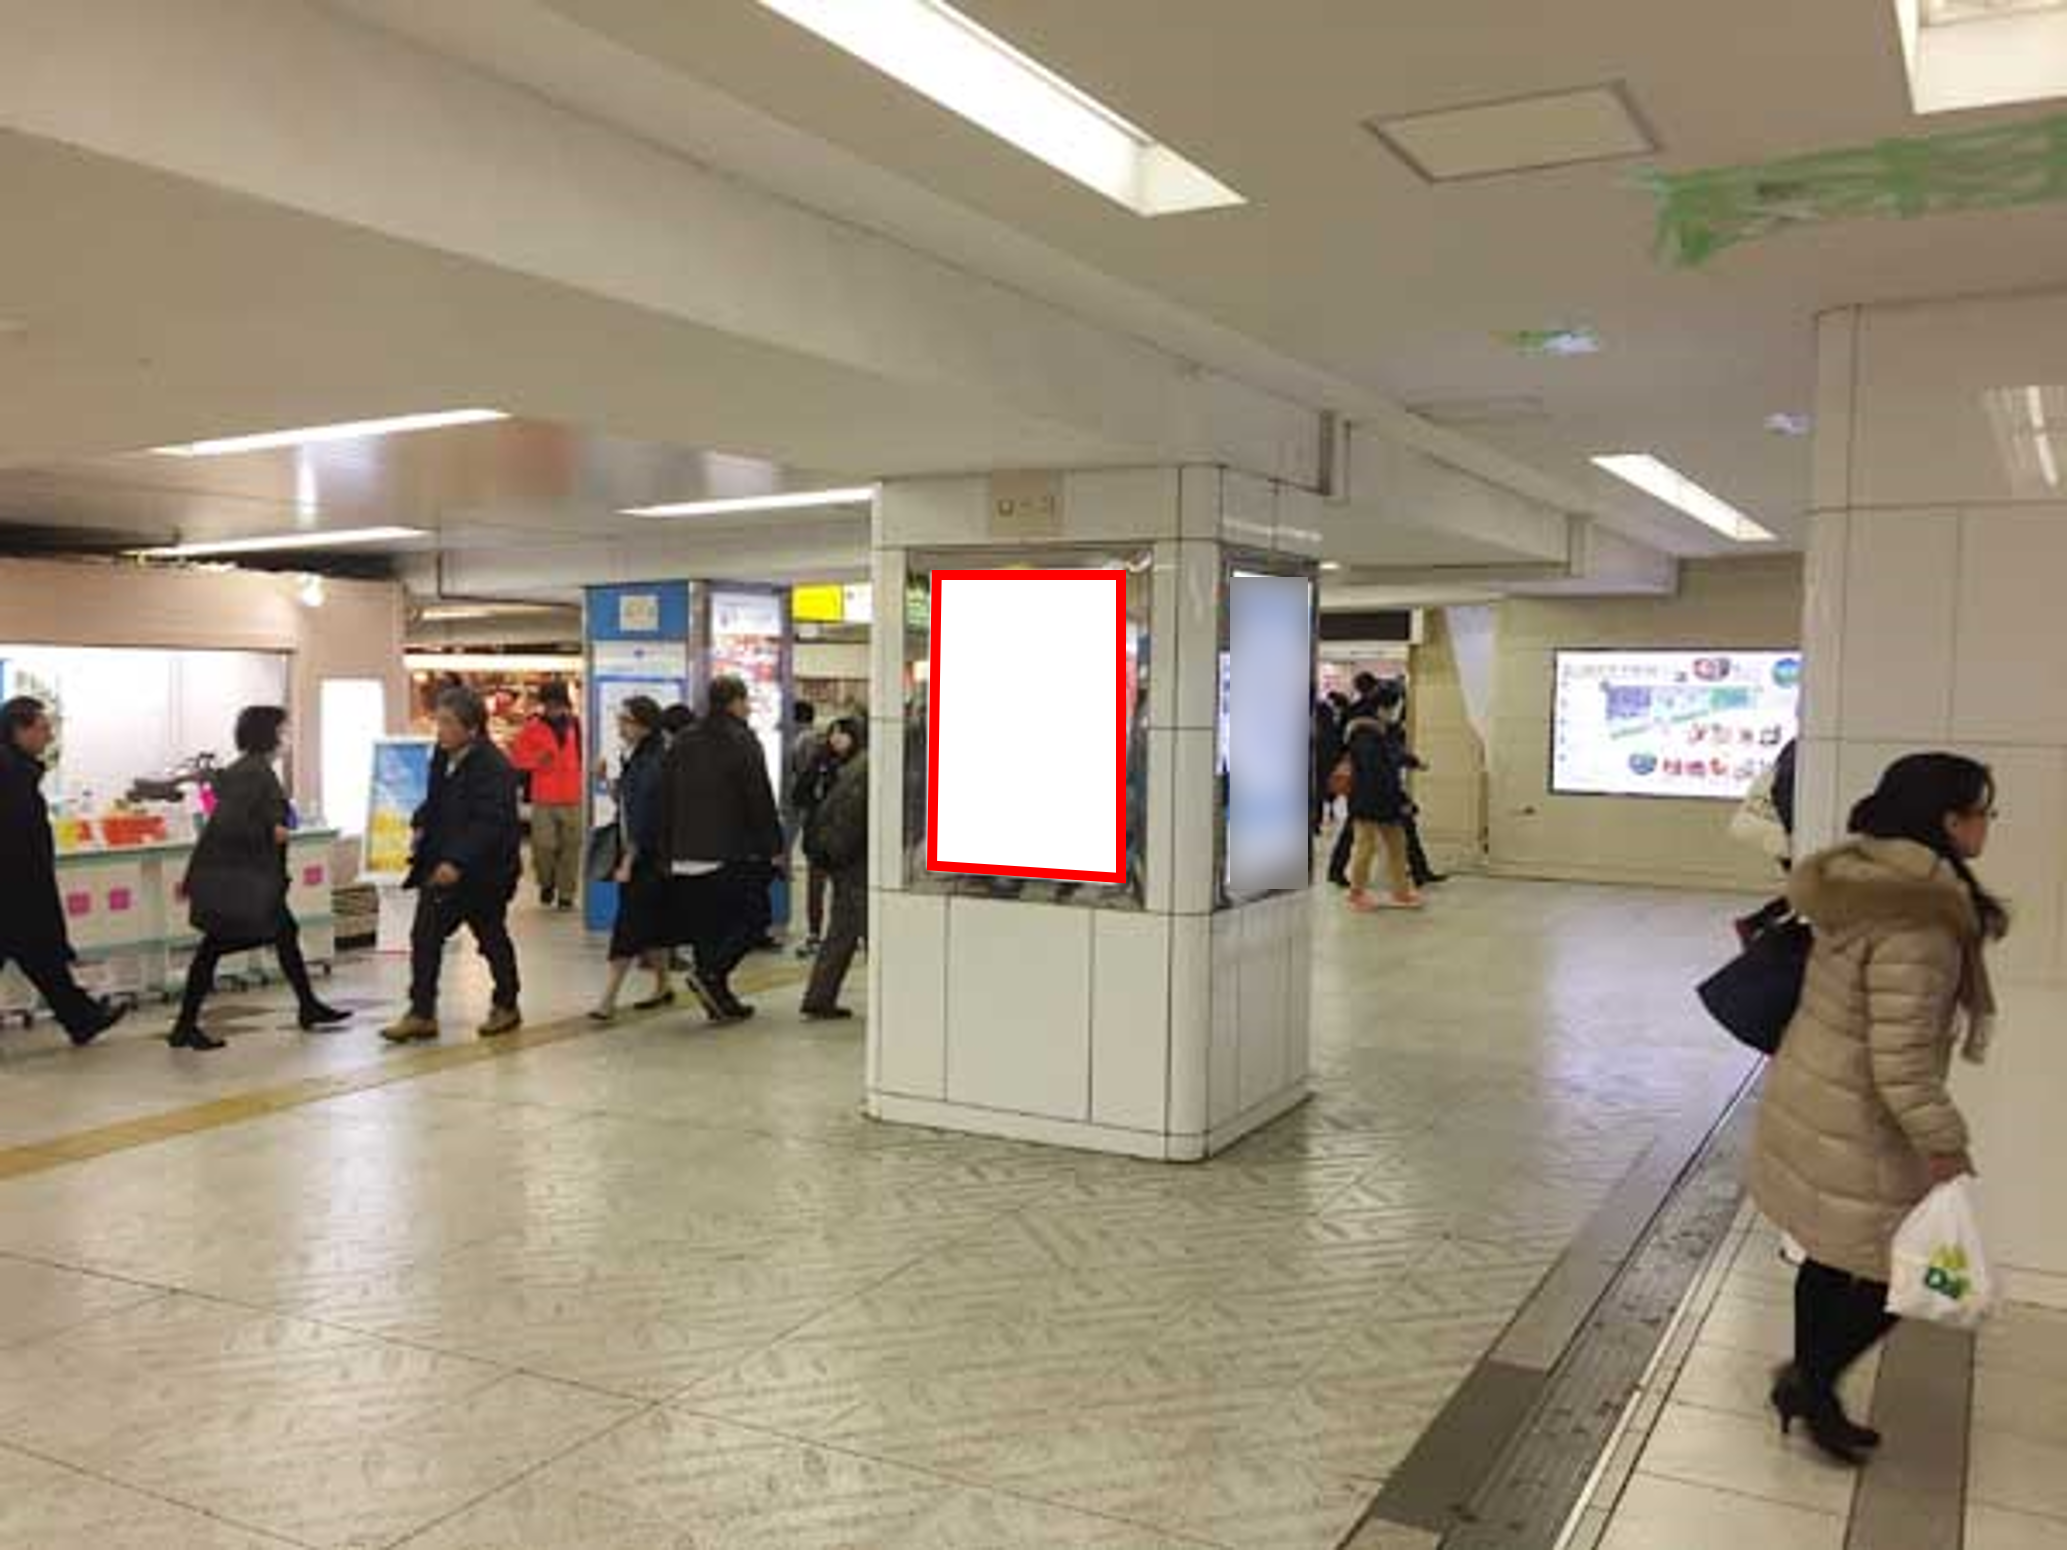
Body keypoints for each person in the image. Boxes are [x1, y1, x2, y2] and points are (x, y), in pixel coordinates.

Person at [1749, 753, 2006, 1467]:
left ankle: (1812, 1391)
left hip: (1817, 1094)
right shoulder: (1919, 919)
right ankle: (1810, 1384)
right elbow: (1900, 1061)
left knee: (1830, 1253)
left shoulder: (1862, 876)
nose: (1987, 825)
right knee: (1899, 1271)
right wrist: (1944, 1142)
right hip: (1860, 1118)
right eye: (1982, 811)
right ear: (1947, 821)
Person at [169, 706, 349, 1050]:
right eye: (284, 731)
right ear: (269, 734)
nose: (287, 738)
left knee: (284, 933)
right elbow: (231, 824)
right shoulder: (253, 772)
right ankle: (185, 1025)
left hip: (245, 877)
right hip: (240, 880)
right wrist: (271, 831)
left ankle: (308, 1006)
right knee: (215, 946)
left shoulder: (251, 769)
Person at [382, 687, 524, 1043]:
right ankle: (421, 1012)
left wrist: (458, 861)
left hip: (485, 872)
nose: (440, 730)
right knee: (425, 935)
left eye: (448, 723)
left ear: (472, 728)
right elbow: (436, 800)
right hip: (442, 865)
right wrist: (420, 822)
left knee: (490, 936)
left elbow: (489, 823)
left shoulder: (494, 767)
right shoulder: (442, 756)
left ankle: (506, 1003)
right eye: (439, 721)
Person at [0, 697, 126, 1046]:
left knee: (41, 957)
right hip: (13, 885)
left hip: (17, 885)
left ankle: (81, 1018)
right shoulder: (10, 772)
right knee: (39, 952)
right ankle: (81, 1017)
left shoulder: (17, 769)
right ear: (19, 730)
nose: (49, 736)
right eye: (43, 728)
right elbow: (16, 835)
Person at [660, 675, 784, 1024]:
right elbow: (758, 797)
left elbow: (665, 796)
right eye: (746, 701)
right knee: (754, 918)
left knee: (707, 928)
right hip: (729, 849)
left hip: (684, 852)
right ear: (735, 702)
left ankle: (719, 998)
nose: (748, 708)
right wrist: (773, 845)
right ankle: (711, 974)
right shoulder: (742, 740)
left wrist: (666, 848)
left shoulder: (683, 740)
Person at [590, 696, 674, 1022]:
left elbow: (643, 819)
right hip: (650, 858)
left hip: (644, 859)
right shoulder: (639, 757)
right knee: (655, 925)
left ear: (645, 726)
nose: (620, 726)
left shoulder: (651, 764)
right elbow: (627, 802)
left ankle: (607, 999)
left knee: (628, 926)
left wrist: (627, 861)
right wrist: (604, 780)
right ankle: (663, 985)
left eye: (626, 720)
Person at [799, 718, 868, 1020]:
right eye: (834, 733)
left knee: (842, 930)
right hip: (855, 861)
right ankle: (892, 1000)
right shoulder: (864, 767)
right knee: (866, 929)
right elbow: (853, 817)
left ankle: (819, 996)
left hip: (843, 858)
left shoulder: (857, 766)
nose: (836, 739)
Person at [1341, 678, 1421, 911]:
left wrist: (1411, 761)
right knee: (1365, 847)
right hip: (1368, 799)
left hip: (1385, 799)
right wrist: (1400, 798)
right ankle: (1356, 894)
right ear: (1380, 708)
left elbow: (1392, 757)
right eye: (1392, 707)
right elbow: (1377, 770)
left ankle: (1401, 892)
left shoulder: (1382, 731)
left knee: (1397, 846)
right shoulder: (1364, 734)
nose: (1395, 712)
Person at [508, 680, 583, 911]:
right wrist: (537, 760)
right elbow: (517, 759)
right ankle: (547, 881)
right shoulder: (532, 728)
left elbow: (583, 755)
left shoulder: (576, 725)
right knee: (544, 846)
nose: (553, 708)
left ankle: (567, 893)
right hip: (544, 797)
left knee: (571, 847)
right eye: (549, 703)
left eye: (557, 703)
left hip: (572, 795)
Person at [785, 702, 831, 957]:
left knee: (817, 883)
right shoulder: (822, 748)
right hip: (825, 827)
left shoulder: (802, 741)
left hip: (816, 824)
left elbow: (799, 783)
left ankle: (815, 932)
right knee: (829, 884)